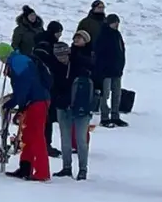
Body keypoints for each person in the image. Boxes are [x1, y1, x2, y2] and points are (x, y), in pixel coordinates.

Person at [0, 43, 50, 181]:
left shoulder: (17, 62)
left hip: (36, 101)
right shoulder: (20, 59)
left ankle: (42, 172)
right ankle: (25, 167)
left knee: (37, 136)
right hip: (35, 100)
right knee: (28, 135)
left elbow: (23, 85)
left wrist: (16, 103)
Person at [59, 31, 97, 180]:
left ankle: (83, 169)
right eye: (75, 37)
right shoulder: (67, 55)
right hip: (65, 101)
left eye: (80, 38)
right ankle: (66, 167)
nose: (76, 40)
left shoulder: (89, 58)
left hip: (82, 103)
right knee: (65, 138)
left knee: (81, 139)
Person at [32, 21, 65, 158]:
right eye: (58, 32)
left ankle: (44, 143)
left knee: (46, 117)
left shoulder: (40, 44)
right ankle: (45, 144)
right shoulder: (47, 46)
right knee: (47, 117)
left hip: (41, 84)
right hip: (47, 85)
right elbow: (51, 65)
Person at [95, 14, 127, 128]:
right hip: (105, 71)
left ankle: (115, 116)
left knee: (117, 94)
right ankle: (104, 117)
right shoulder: (103, 35)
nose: (117, 24)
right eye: (114, 22)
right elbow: (99, 54)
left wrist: (121, 65)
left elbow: (121, 51)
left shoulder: (117, 35)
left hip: (117, 70)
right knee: (105, 94)